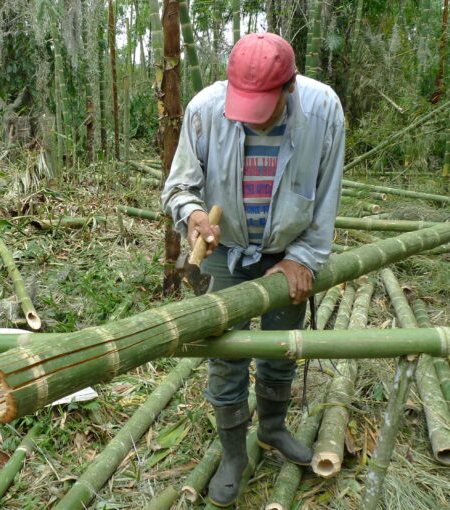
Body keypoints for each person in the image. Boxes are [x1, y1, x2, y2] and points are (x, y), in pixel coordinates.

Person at [161, 33, 345, 507]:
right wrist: (193, 213)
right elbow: (179, 185)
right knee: (225, 353)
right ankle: (232, 454)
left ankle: (272, 429)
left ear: (289, 87)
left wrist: (303, 258)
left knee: (281, 349)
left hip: (289, 253)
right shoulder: (205, 109)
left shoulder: (324, 110)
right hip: (225, 252)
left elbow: (325, 203)